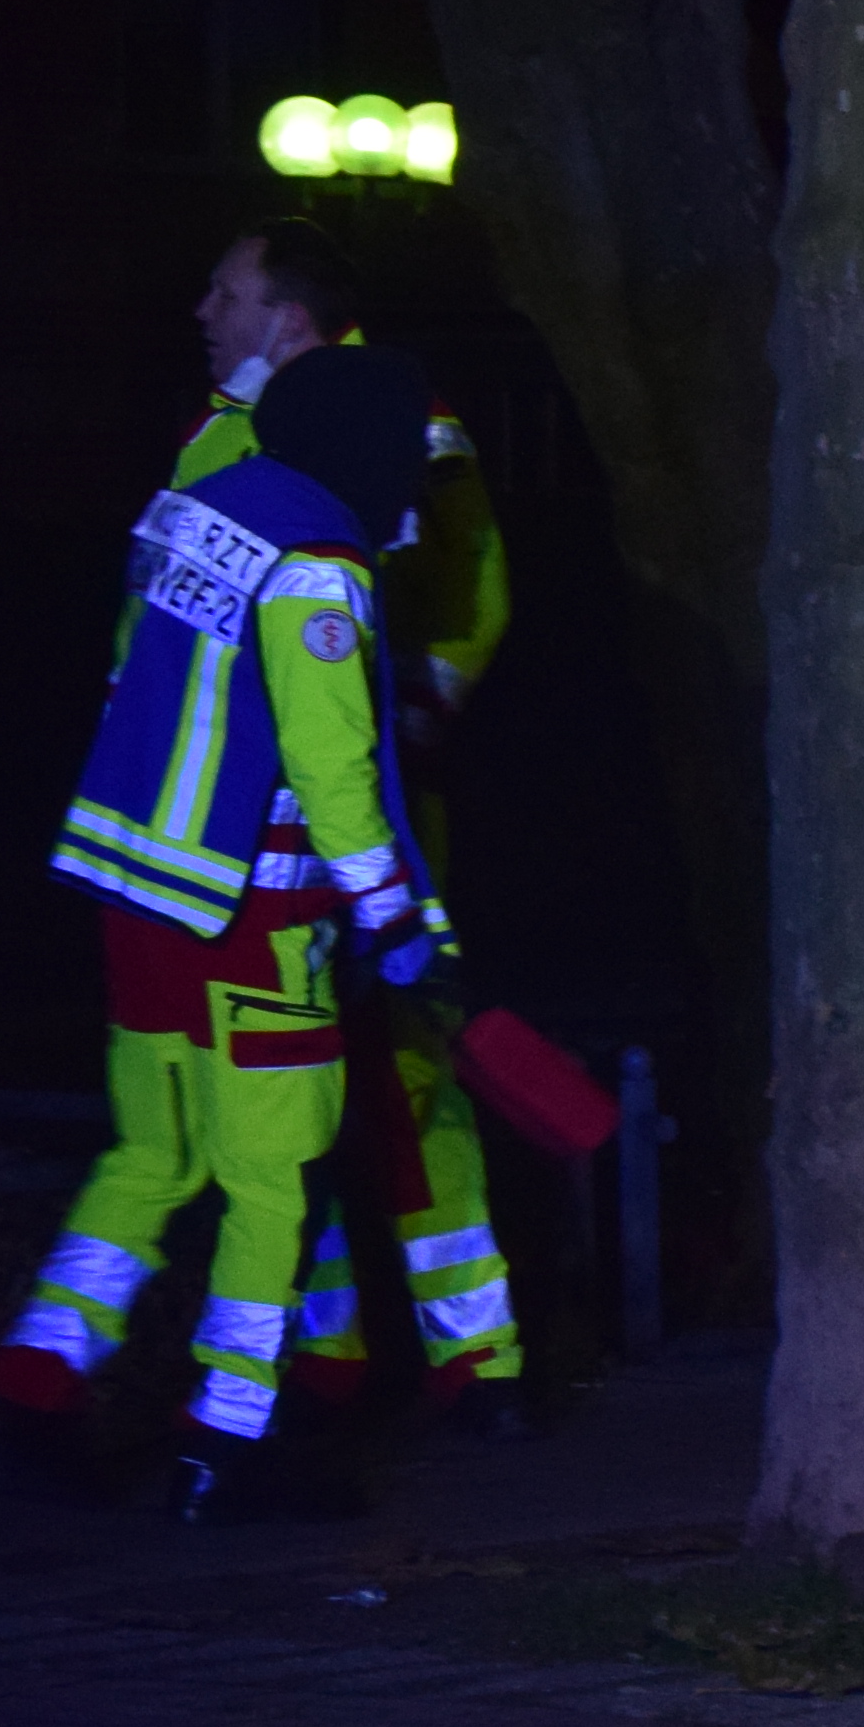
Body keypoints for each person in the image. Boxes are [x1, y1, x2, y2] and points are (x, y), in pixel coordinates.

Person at [0, 345, 452, 1519]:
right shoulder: (319, 565)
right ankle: (229, 1440)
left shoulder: (197, 514)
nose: (413, 497)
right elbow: (332, 768)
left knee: (152, 1157)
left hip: (135, 896)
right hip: (255, 915)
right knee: (274, 1181)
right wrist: (397, 920)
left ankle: (34, 1379)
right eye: (408, 470)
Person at [177, 224, 534, 1440]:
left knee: (411, 1078)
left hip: (368, 814)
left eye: (226, 292)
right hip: (242, 842)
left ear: (286, 317)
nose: (203, 310)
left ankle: (476, 1358)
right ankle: (321, 1357)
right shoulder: (216, 432)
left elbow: (468, 582)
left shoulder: (401, 417)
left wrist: (418, 706)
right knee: (281, 1095)